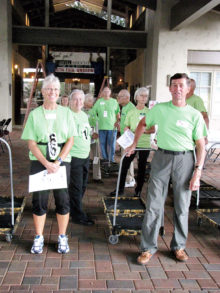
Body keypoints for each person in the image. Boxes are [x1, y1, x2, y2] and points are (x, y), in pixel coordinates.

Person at [126, 73, 207, 264]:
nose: (177, 89)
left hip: (185, 160)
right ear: (170, 89)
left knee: (182, 206)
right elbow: (142, 124)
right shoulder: (160, 109)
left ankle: (178, 246)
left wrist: (198, 171)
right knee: (154, 204)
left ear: (187, 89)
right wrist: (134, 143)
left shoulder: (194, 115)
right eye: (174, 85)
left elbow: (201, 145)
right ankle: (147, 248)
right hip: (161, 157)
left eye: (181, 86)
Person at [21, 74, 76, 254]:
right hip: (39, 161)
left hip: (61, 161)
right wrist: (45, 163)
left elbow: (70, 140)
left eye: (55, 89)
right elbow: (31, 143)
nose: (52, 92)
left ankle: (62, 236)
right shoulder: (35, 114)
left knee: (62, 199)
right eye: (49, 89)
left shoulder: (66, 112)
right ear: (43, 91)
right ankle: (38, 237)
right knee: (39, 200)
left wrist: (58, 161)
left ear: (59, 92)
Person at [110, 87, 155, 197]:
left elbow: (153, 129)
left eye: (146, 96)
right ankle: (119, 189)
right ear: (136, 97)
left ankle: (138, 190)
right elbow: (126, 127)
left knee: (141, 167)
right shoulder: (131, 112)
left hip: (144, 144)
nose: (144, 98)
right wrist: (127, 131)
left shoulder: (149, 112)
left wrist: (144, 131)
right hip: (131, 144)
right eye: (142, 95)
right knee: (124, 165)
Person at [69, 89, 94, 226]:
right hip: (74, 156)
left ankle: (73, 207)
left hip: (85, 155)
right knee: (76, 186)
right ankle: (77, 215)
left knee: (83, 185)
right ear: (70, 101)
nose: (78, 102)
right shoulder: (67, 115)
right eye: (75, 99)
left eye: (80, 99)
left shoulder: (84, 115)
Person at [93, 86, 120, 163]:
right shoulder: (99, 102)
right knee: (102, 145)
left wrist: (117, 122)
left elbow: (118, 113)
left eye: (107, 91)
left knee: (111, 145)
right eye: (104, 91)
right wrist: (95, 120)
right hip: (101, 127)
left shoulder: (114, 101)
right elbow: (94, 111)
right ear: (102, 93)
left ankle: (111, 159)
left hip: (112, 127)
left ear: (110, 92)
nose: (106, 93)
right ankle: (105, 159)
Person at [117, 89, 136, 188]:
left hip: (129, 138)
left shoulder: (131, 108)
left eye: (120, 97)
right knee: (125, 158)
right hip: (124, 137)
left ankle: (130, 179)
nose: (118, 98)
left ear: (127, 98)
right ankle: (128, 178)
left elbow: (133, 125)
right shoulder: (124, 107)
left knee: (128, 158)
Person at [84, 93, 102, 183]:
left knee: (96, 157)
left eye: (92, 101)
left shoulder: (94, 110)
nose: (92, 103)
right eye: (90, 101)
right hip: (85, 138)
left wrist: (97, 133)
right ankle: (84, 176)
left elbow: (97, 123)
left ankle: (97, 176)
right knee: (85, 157)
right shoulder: (81, 111)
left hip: (95, 137)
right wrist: (91, 133)